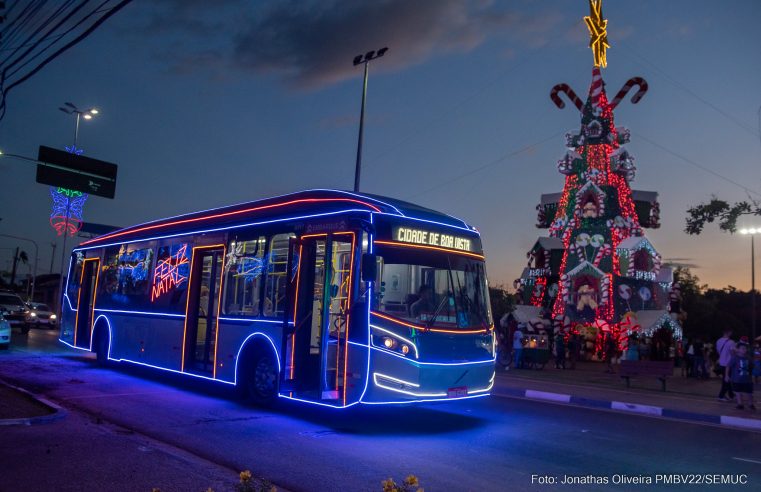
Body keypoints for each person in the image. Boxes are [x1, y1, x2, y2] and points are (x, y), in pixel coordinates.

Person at [725, 339, 755, 411]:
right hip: (736, 379)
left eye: (745, 348)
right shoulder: (735, 357)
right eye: (742, 348)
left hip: (747, 379)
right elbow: (728, 366)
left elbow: (752, 366)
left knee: (749, 392)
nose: (744, 350)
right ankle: (740, 404)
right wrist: (726, 375)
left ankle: (750, 404)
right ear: (738, 349)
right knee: (738, 392)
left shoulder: (748, 358)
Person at [716, 329, 736, 401]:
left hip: (721, 362)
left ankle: (731, 394)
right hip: (728, 363)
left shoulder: (718, 341)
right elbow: (733, 353)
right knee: (726, 379)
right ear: (729, 333)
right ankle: (721, 396)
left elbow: (718, 351)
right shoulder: (731, 342)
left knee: (726, 378)